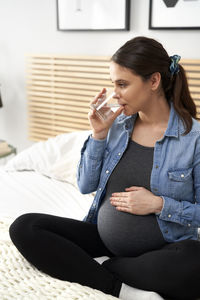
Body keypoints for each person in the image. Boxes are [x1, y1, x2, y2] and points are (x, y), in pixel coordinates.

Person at [9, 36, 200, 300]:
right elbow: (85, 185)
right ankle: (120, 288)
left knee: (194, 263)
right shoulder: (116, 128)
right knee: (25, 227)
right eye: (114, 85)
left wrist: (158, 204)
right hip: (103, 238)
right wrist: (98, 134)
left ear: (154, 81)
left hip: (165, 249)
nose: (115, 94)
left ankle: (98, 269)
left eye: (122, 84)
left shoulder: (194, 139)